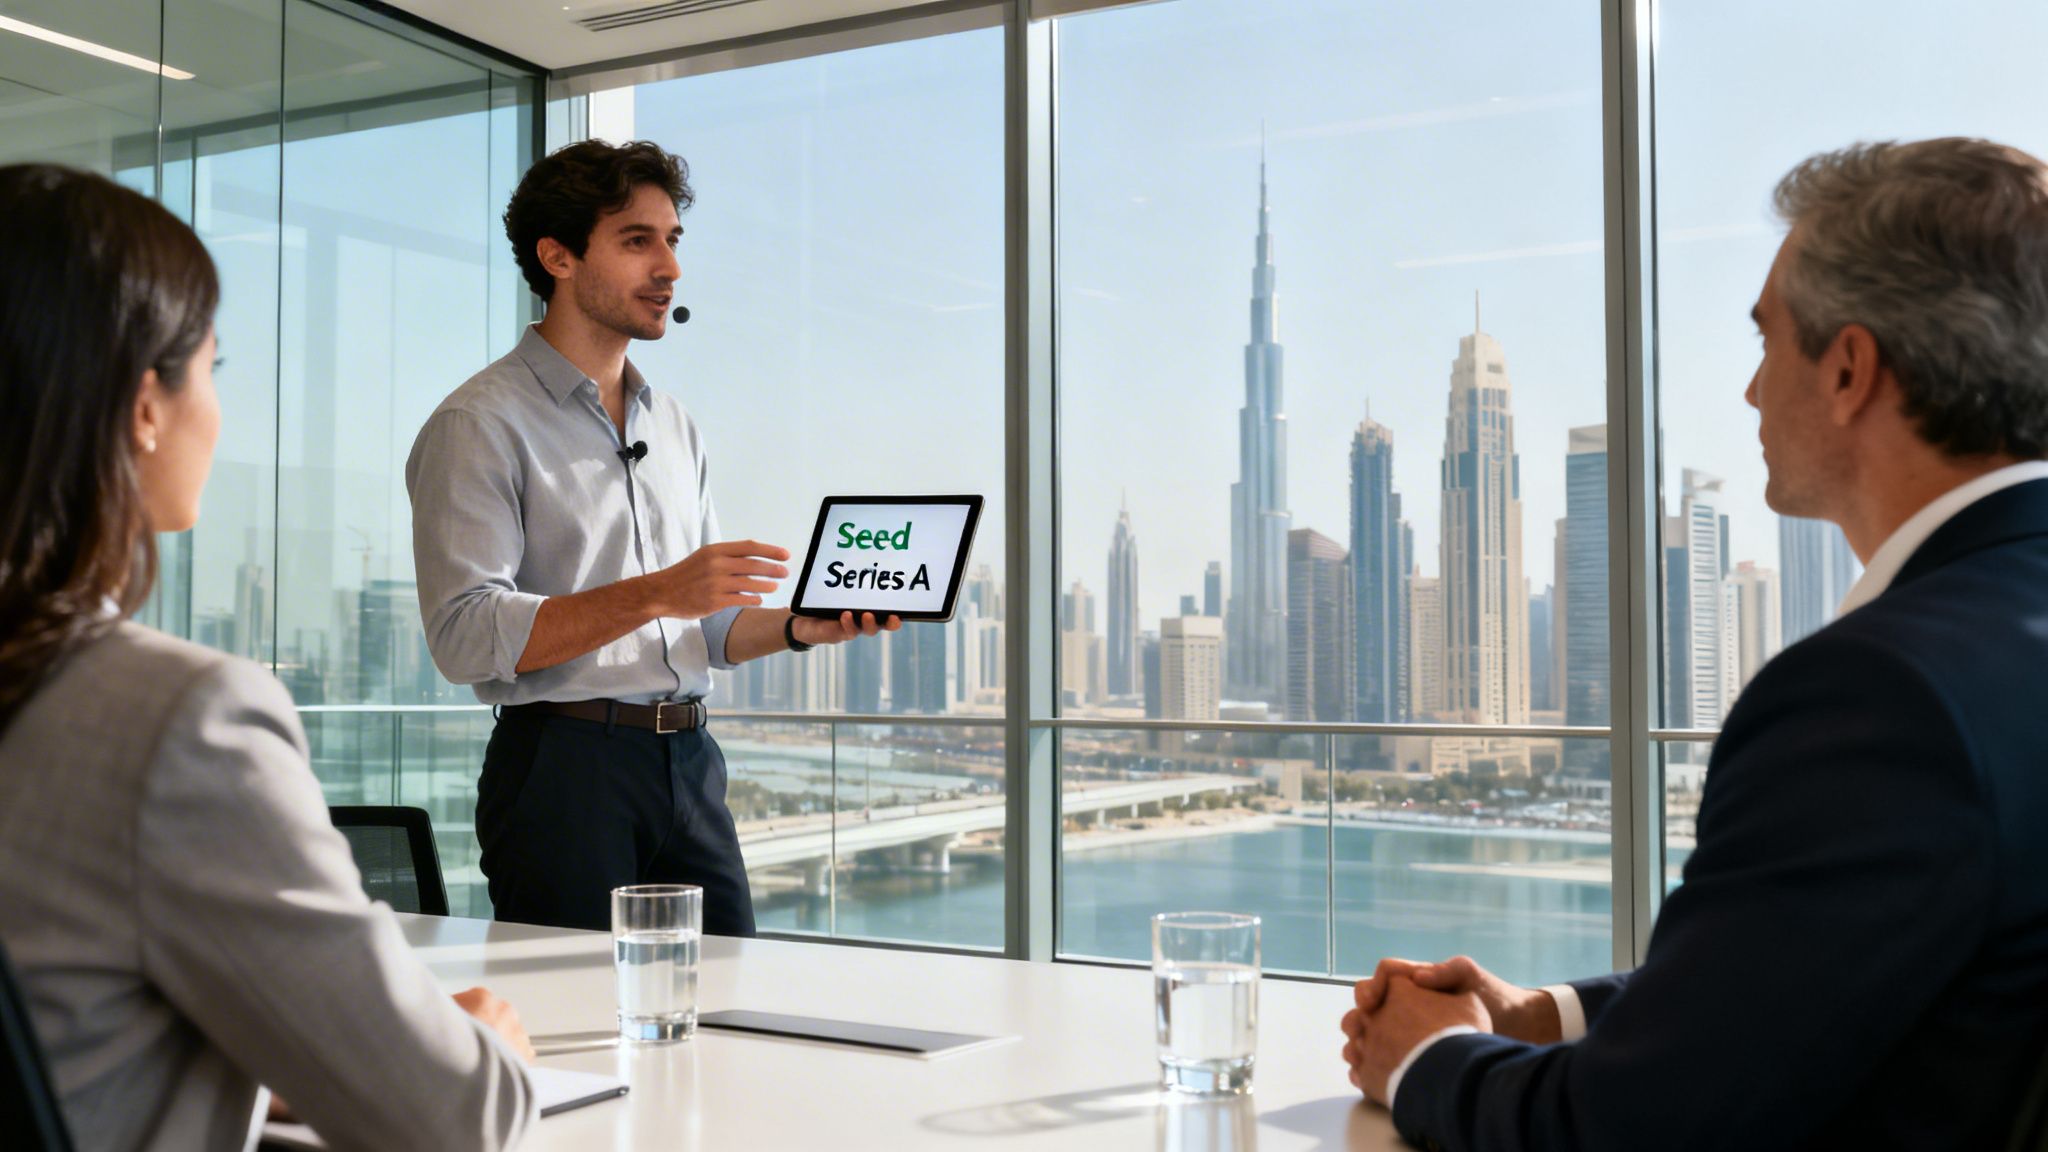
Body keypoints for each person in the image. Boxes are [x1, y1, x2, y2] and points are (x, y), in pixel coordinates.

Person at [1339, 136, 2048, 1150]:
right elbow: (1818, 965)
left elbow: (1620, 1132)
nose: (1751, 391)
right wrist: (1550, 1016)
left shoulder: (1878, 695)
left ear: (1847, 368)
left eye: (1766, 342)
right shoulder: (1990, 645)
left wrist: (1424, 1057)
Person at [0, 166, 537, 1151]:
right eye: (214, 367)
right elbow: (449, 1119)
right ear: (143, 404)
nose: (218, 413)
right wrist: (487, 1046)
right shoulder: (174, 721)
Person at [407, 139, 895, 936]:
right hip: (564, 772)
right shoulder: (479, 423)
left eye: (673, 240)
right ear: (557, 256)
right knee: (580, 1031)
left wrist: (803, 627)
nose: (668, 266)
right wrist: (662, 591)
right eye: (638, 241)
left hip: (691, 768)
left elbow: (703, 628)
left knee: (732, 1012)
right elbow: (464, 636)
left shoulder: (673, 426)